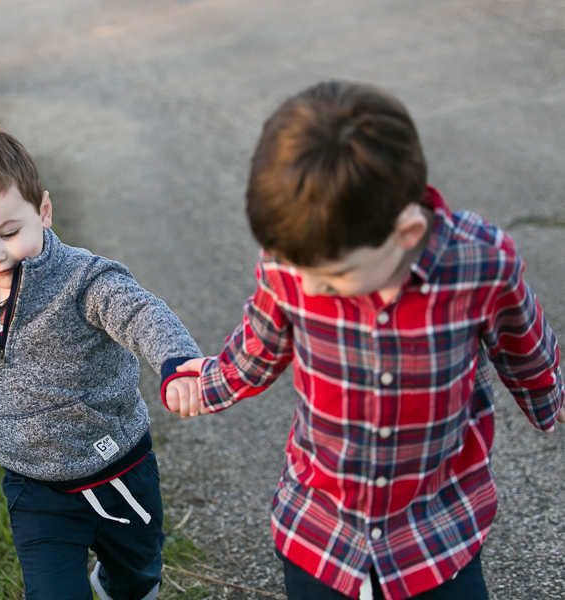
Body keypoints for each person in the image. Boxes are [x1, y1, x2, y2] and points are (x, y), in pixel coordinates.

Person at [175, 81, 565, 600]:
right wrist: (208, 384)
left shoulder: (481, 263)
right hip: (321, 528)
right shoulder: (295, 259)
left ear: (404, 234)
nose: (308, 287)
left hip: (436, 529)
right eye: (295, 268)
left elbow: (522, 340)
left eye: (333, 277)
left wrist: (550, 392)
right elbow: (260, 344)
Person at [0, 125, 202, 600]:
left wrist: (177, 361)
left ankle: (114, 583)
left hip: (115, 466)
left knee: (137, 574)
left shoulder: (85, 281)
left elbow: (141, 313)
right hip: (33, 482)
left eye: (9, 232)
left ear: (42, 211)